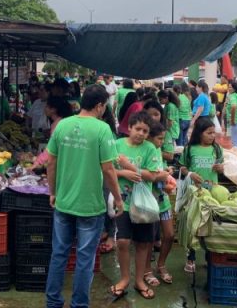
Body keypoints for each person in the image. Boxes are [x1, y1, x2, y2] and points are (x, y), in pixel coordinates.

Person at [45, 85, 123, 308]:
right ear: (99, 106)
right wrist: (118, 199)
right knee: (84, 260)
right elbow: (108, 169)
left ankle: (53, 302)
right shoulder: (102, 129)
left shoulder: (62, 125)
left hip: (63, 202)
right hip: (90, 206)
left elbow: (51, 161)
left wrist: (53, 192)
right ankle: (79, 305)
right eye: (104, 106)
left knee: (58, 254)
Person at [110, 111, 166, 301]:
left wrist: (130, 167)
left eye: (145, 130)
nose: (141, 133)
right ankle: (125, 278)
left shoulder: (150, 148)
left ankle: (139, 280)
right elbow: (107, 171)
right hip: (122, 202)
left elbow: (152, 175)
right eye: (138, 129)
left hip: (143, 205)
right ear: (129, 128)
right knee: (123, 241)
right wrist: (124, 172)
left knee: (143, 243)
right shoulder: (117, 145)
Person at [179, 117, 224, 273]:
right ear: (199, 133)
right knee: (193, 224)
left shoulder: (216, 148)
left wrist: (220, 168)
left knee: (210, 225)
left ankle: (209, 258)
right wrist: (190, 173)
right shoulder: (190, 149)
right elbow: (183, 167)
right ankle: (190, 258)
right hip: (195, 193)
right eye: (209, 133)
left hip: (212, 193)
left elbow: (222, 166)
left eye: (214, 133)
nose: (212, 136)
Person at [146, 121, 175, 286]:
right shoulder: (144, 150)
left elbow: (159, 169)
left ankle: (161, 264)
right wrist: (161, 176)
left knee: (169, 234)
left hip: (162, 198)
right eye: (159, 138)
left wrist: (167, 174)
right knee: (148, 238)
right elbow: (146, 174)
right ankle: (147, 270)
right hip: (148, 200)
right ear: (149, 137)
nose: (162, 142)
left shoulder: (157, 149)